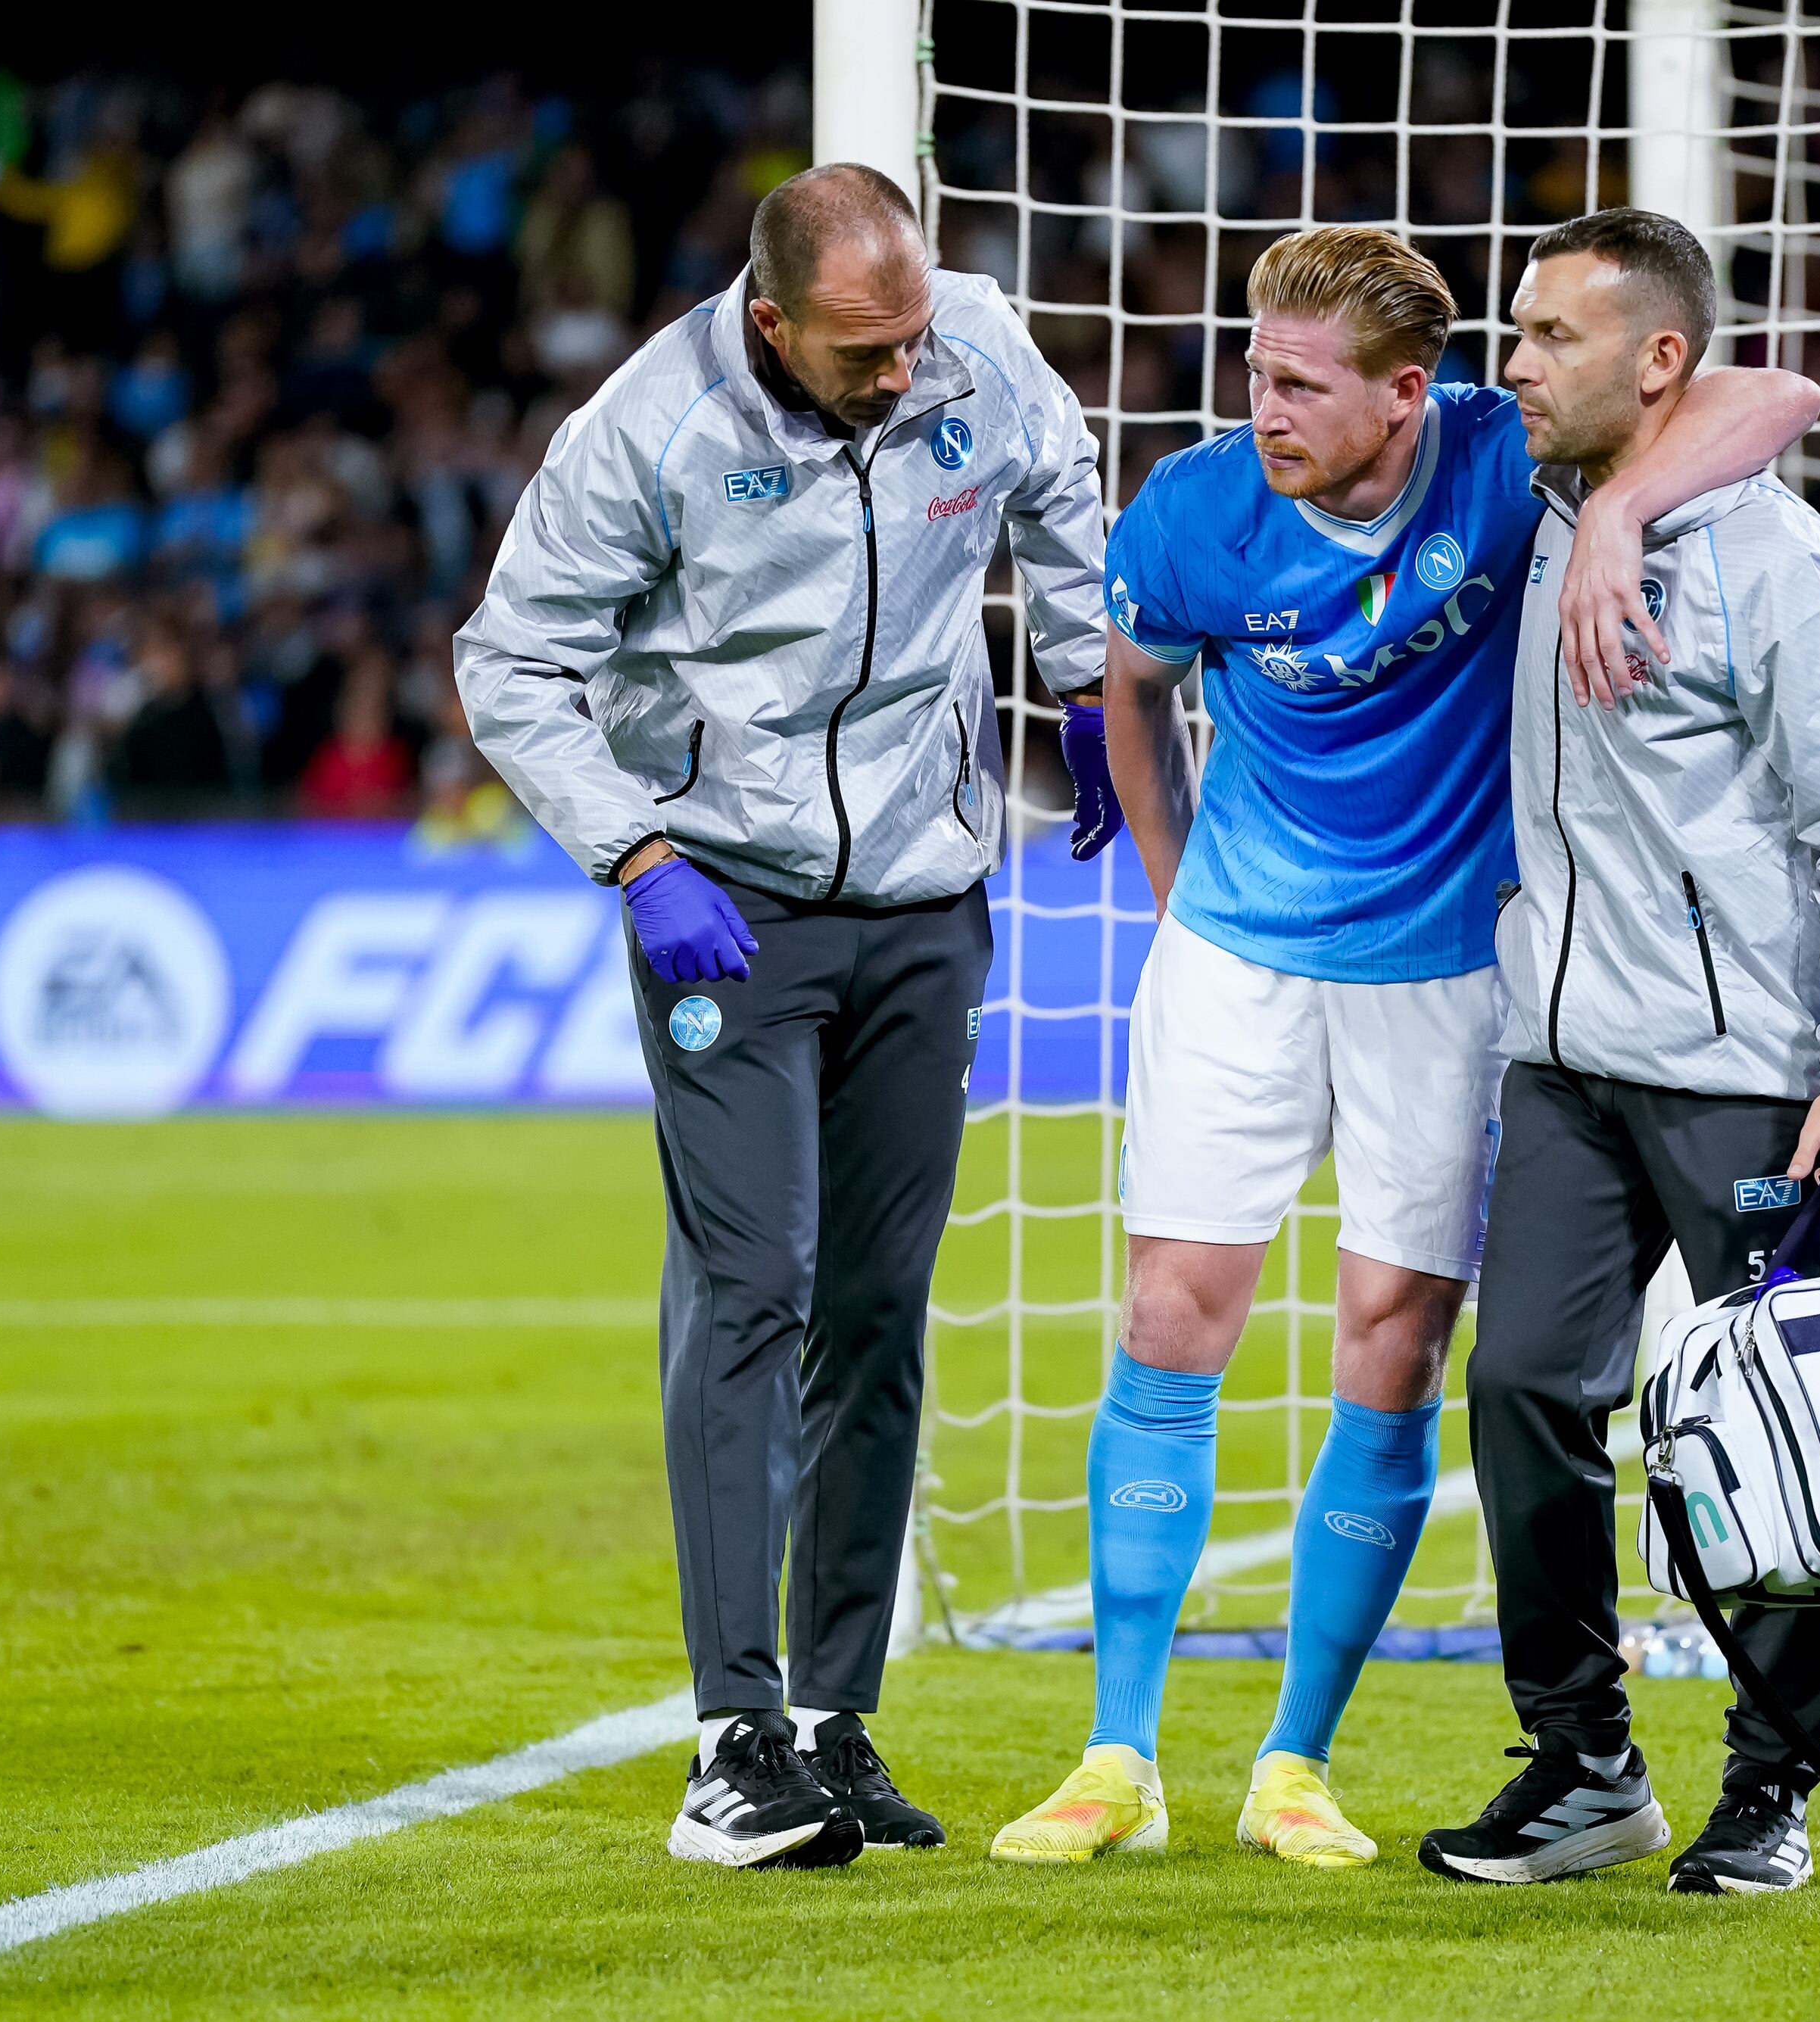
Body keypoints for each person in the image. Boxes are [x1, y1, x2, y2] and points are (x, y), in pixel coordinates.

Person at [990, 223, 1820, 1870]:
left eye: (1298, 382)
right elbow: (1129, 694)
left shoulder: (1508, 459)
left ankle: (1294, 1760)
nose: (1262, 406)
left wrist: (1626, 517)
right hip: (1236, 952)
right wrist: (1180, 911)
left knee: (1393, 1338)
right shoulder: (1194, 513)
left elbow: (1778, 391)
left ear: (1403, 392)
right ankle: (1116, 1753)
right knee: (1170, 1310)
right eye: (1252, 370)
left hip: (1446, 973)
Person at [457, 164, 1106, 1872]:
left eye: (908, 340)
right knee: (751, 1289)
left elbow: (1059, 487)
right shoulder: (648, 425)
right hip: (724, 914)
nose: (900, 376)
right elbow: (508, 655)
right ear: (770, 322)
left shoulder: (970, 343)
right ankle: (728, 1743)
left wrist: (1084, 668)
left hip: (923, 908)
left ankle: (834, 1721)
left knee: (880, 1314)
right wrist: (634, 849)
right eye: (859, 353)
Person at [1415, 210, 1820, 1893]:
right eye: (1509, 332)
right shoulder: (1544, 503)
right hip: (1561, 1053)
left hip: (1747, 1075)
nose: (1509, 367)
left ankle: (1766, 1788)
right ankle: (1580, 1761)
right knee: (1518, 1389)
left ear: (1655, 360)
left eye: (1545, 337)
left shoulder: (1777, 567)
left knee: (1778, 1435)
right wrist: (1612, 503)